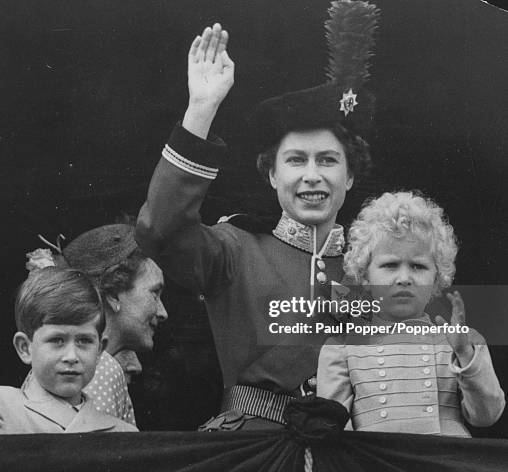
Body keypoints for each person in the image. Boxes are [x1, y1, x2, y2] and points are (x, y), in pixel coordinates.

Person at [136, 1, 380, 430]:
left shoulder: (377, 264)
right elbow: (160, 229)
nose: (311, 177)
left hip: (352, 451)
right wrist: (201, 110)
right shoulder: (235, 249)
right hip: (253, 447)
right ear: (271, 174)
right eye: (295, 161)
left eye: (327, 160)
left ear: (351, 175)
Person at [317, 192, 505, 436]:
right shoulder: (342, 348)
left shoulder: (459, 341)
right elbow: (336, 435)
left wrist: (464, 354)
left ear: (436, 277)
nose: (404, 278)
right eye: (390, 265)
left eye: (418, 266)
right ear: (365, 275)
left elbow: (486, 416)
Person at [0, 268, 137, 435]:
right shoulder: (0, 409)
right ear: (25, 348)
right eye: (57, 340)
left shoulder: (120, 432)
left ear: (100, 350)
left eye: (84, 341)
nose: (71, 356)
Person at [26, 223, 167, 426]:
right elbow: (96, 454)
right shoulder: (96, 369)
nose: (163, 313)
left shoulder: (64, 366)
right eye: (155, 293)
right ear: (113, 294)